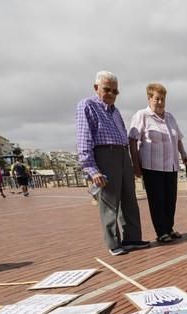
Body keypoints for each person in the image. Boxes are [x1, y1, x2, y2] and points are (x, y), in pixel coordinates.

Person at [76, 70, 149, 256]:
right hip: (104, 154)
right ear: (96, 88)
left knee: (129, 199)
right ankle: (114, 242)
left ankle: (132, 238)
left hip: (122, 154)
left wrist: (131, 162)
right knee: (109, 201)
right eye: (107, 89)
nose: (111, 94)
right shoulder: (87, 105)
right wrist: (92, 170)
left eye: (115, 91)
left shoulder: (115, 112)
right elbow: (84, 139)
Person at [129, 83, 187, 244]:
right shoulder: (142, 116)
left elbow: (178, 139)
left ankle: (169, 228)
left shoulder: (170, 117)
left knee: (171, 199)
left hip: (171, 166)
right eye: (157, 99)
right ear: (149, 98)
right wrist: (136, 165)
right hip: (151, 166)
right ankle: (161, 232)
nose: (160, 102)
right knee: (157, 200)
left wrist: (183, 153)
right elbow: (133, 140)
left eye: (163, 99)